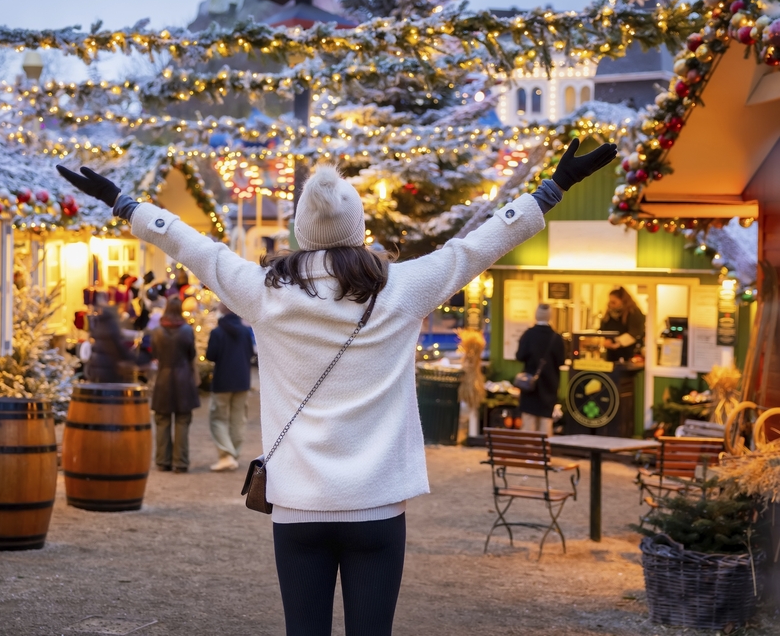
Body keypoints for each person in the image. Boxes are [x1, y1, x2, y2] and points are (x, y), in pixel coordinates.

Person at [58, 137, 616, 635]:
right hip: (377, 505)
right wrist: (552, 187)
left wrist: (124, 203)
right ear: (360, 229)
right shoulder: (402, 288)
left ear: (302, 229)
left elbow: (193, 247)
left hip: (298, 506)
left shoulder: (264, 292)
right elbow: (476, 247)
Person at [149, 297, 201, 473]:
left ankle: (163, 461)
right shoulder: (187, 330)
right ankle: (180, 462)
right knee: (182, 421)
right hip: (183, 378)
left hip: (163, 379)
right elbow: (191, 353)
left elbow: (154, 354)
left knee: (162, 420)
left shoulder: (156, 331)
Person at [206, 302, 255, 472]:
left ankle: (226, 455)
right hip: (242, 381)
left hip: (222, 381)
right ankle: (233, 454)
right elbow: (251, 353)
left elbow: (210, 355)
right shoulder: (245, 332)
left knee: (218, 418)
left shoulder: (217, 332)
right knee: (238, 419)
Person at [515, 304, 565, 435]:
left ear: (536, 315)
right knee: (545, 423)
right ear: (550, 316)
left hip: (530, 386)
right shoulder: (556, 338)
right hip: (549, 386)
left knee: (528, 422)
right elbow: (561, 361)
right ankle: (542, 453)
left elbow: (520, 356)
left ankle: (528, 453)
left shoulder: (528, 335)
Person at [85, 304, 136, 383]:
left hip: (97, 366)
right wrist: (133, 357)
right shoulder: (112, 325)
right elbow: (119, 346)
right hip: (109, 367)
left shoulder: (99, 324)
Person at [601, 286, 645, 362]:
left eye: (614, 302)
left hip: (629, 355)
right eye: (610, 302)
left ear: (623, 301)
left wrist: (615, 342)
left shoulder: (633, 312)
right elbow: (602, 329)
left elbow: (635, 333)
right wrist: (604, 341)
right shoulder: (609, 314)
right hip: (611, 355)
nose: (611, 305)